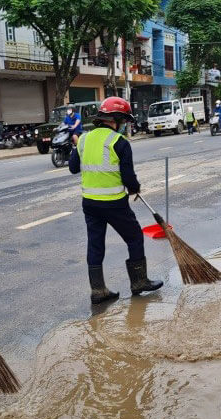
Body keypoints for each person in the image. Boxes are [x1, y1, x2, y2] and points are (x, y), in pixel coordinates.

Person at [69, 96, 163, 304]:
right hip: (114, 204)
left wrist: (77, 149)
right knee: (135, 238)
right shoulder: (119, 142)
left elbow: (73, 168)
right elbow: (128, 177)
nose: (124, 126)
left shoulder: (83, 139)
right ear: (117, 119)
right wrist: (134, 189)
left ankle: (98, 291)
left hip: (90, 204)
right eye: (124, 121)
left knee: (95, 245)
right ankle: (139, 282)